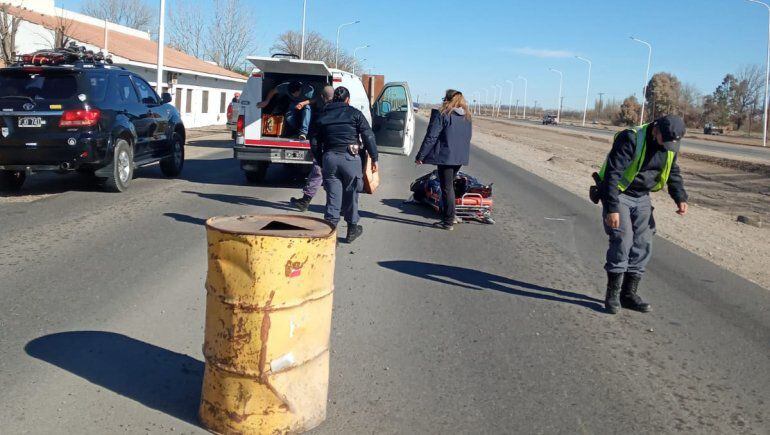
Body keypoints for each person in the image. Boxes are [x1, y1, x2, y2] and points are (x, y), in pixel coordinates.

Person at [596, 114, 688, 314]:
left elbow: (672, 171)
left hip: (642, 196)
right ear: (655, 130)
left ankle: (628, 294)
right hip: (620, 193)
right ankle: (612, 295)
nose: (667, 147)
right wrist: (611, 208)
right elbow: (612, 173)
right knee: (623, 239)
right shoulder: (631, 138)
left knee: (643, 242)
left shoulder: (671, 143)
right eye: (664, 141)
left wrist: (680, 197)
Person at [310, 86, 378, 243]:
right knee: (351, 195)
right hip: (350, 159)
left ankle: (329, 236)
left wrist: (321, 160)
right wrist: (374, 158)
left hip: (330, 158)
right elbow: (368, 135)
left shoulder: (322, 115)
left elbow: (314, 141)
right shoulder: (355, 113)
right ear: (348, 99)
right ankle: (351, 230)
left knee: (333, 197)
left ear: (334, 98)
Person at [415, 89, 472, 231]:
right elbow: (467, 137)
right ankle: (450, 214)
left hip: (446, 157)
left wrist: (421, 155)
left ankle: (448, 220)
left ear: (447, 99)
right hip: (459, 157)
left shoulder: (444, 115)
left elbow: (431, 137)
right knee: (449, 186)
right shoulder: (467, 117)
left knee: (447, 188)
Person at [291, 85, 335, 211]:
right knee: (327, 176)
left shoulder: (324, 112)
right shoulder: (341, 109)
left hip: (325, 148)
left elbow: (317, 134)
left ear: (322, 96)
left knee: (318, 173)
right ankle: (332, 204)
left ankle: (307, 201)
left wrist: (315, 150)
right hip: (337, 149)